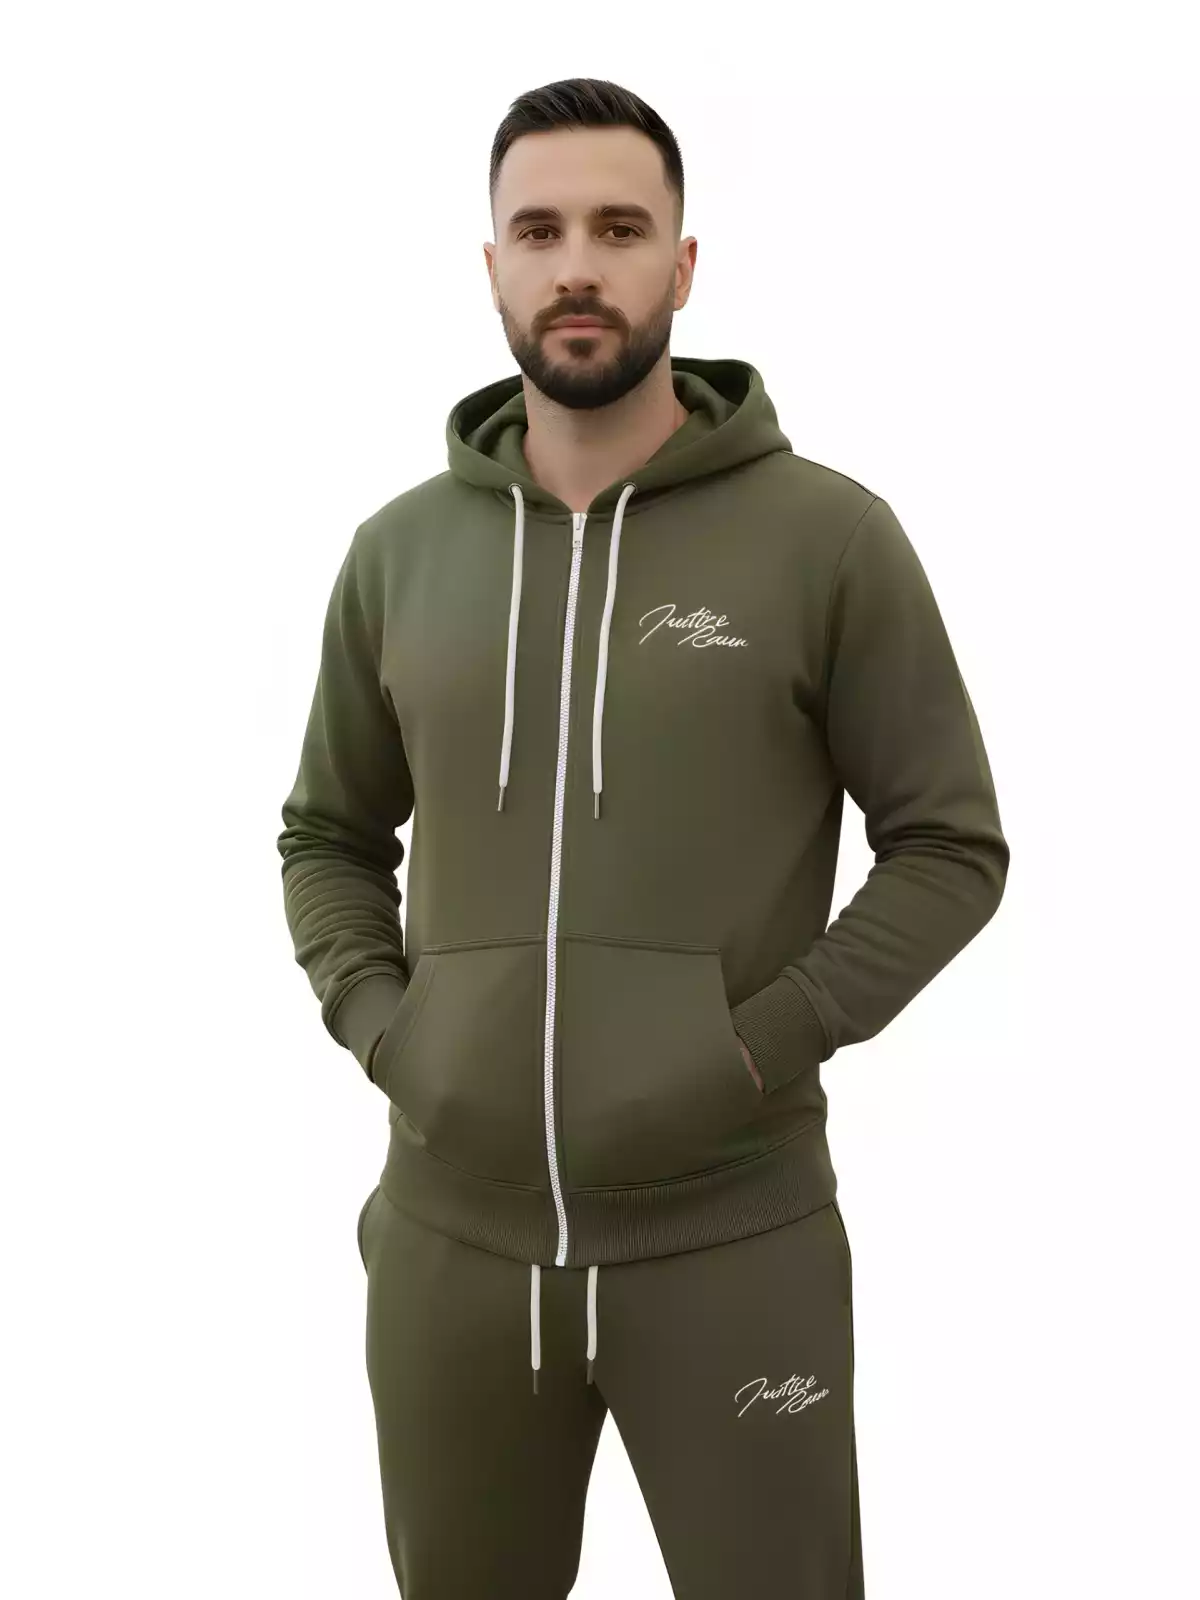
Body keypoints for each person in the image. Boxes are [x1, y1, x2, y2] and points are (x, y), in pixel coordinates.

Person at [276, 75, 1009, 1599]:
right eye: (539, 231)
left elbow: (950, 845)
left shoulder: (827, 540)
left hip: (734, 1248)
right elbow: (328, 832)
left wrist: (756, 1045)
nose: (577, 266)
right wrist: (389, 1031)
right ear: (493, 267)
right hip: (449, 1254)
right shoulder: (398, 556)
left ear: (682, 264)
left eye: (619, 230)